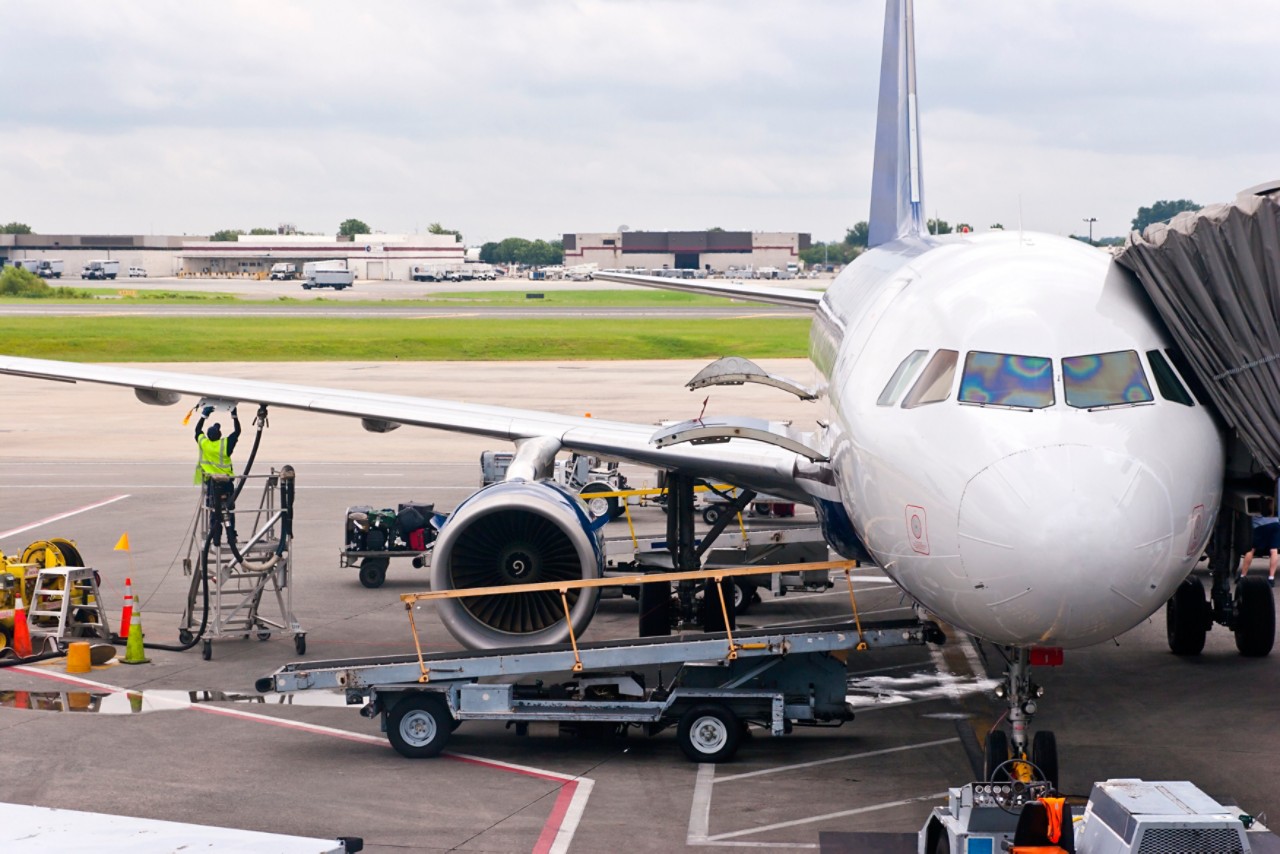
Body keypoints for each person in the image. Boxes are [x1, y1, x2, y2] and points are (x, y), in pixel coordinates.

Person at [194, 405, 242, 545]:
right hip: (226, 483)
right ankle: (231, 536)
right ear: (219, 435)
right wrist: (234, 416)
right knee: (228, 510)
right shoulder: (225, 444)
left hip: (212, 483)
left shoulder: (204, 443)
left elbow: (197, 431)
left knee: (214, 511)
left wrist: (204, 416)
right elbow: (238, 431)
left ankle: (215, 538)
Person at [1239, 496, 1280, 587]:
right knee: (1274, 550)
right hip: (1275, 524)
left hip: (1259, 527)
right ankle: (1271, 578)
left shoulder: (1252, 498)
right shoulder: (1272, 497)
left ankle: (1243, 576)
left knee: (1251, 550)